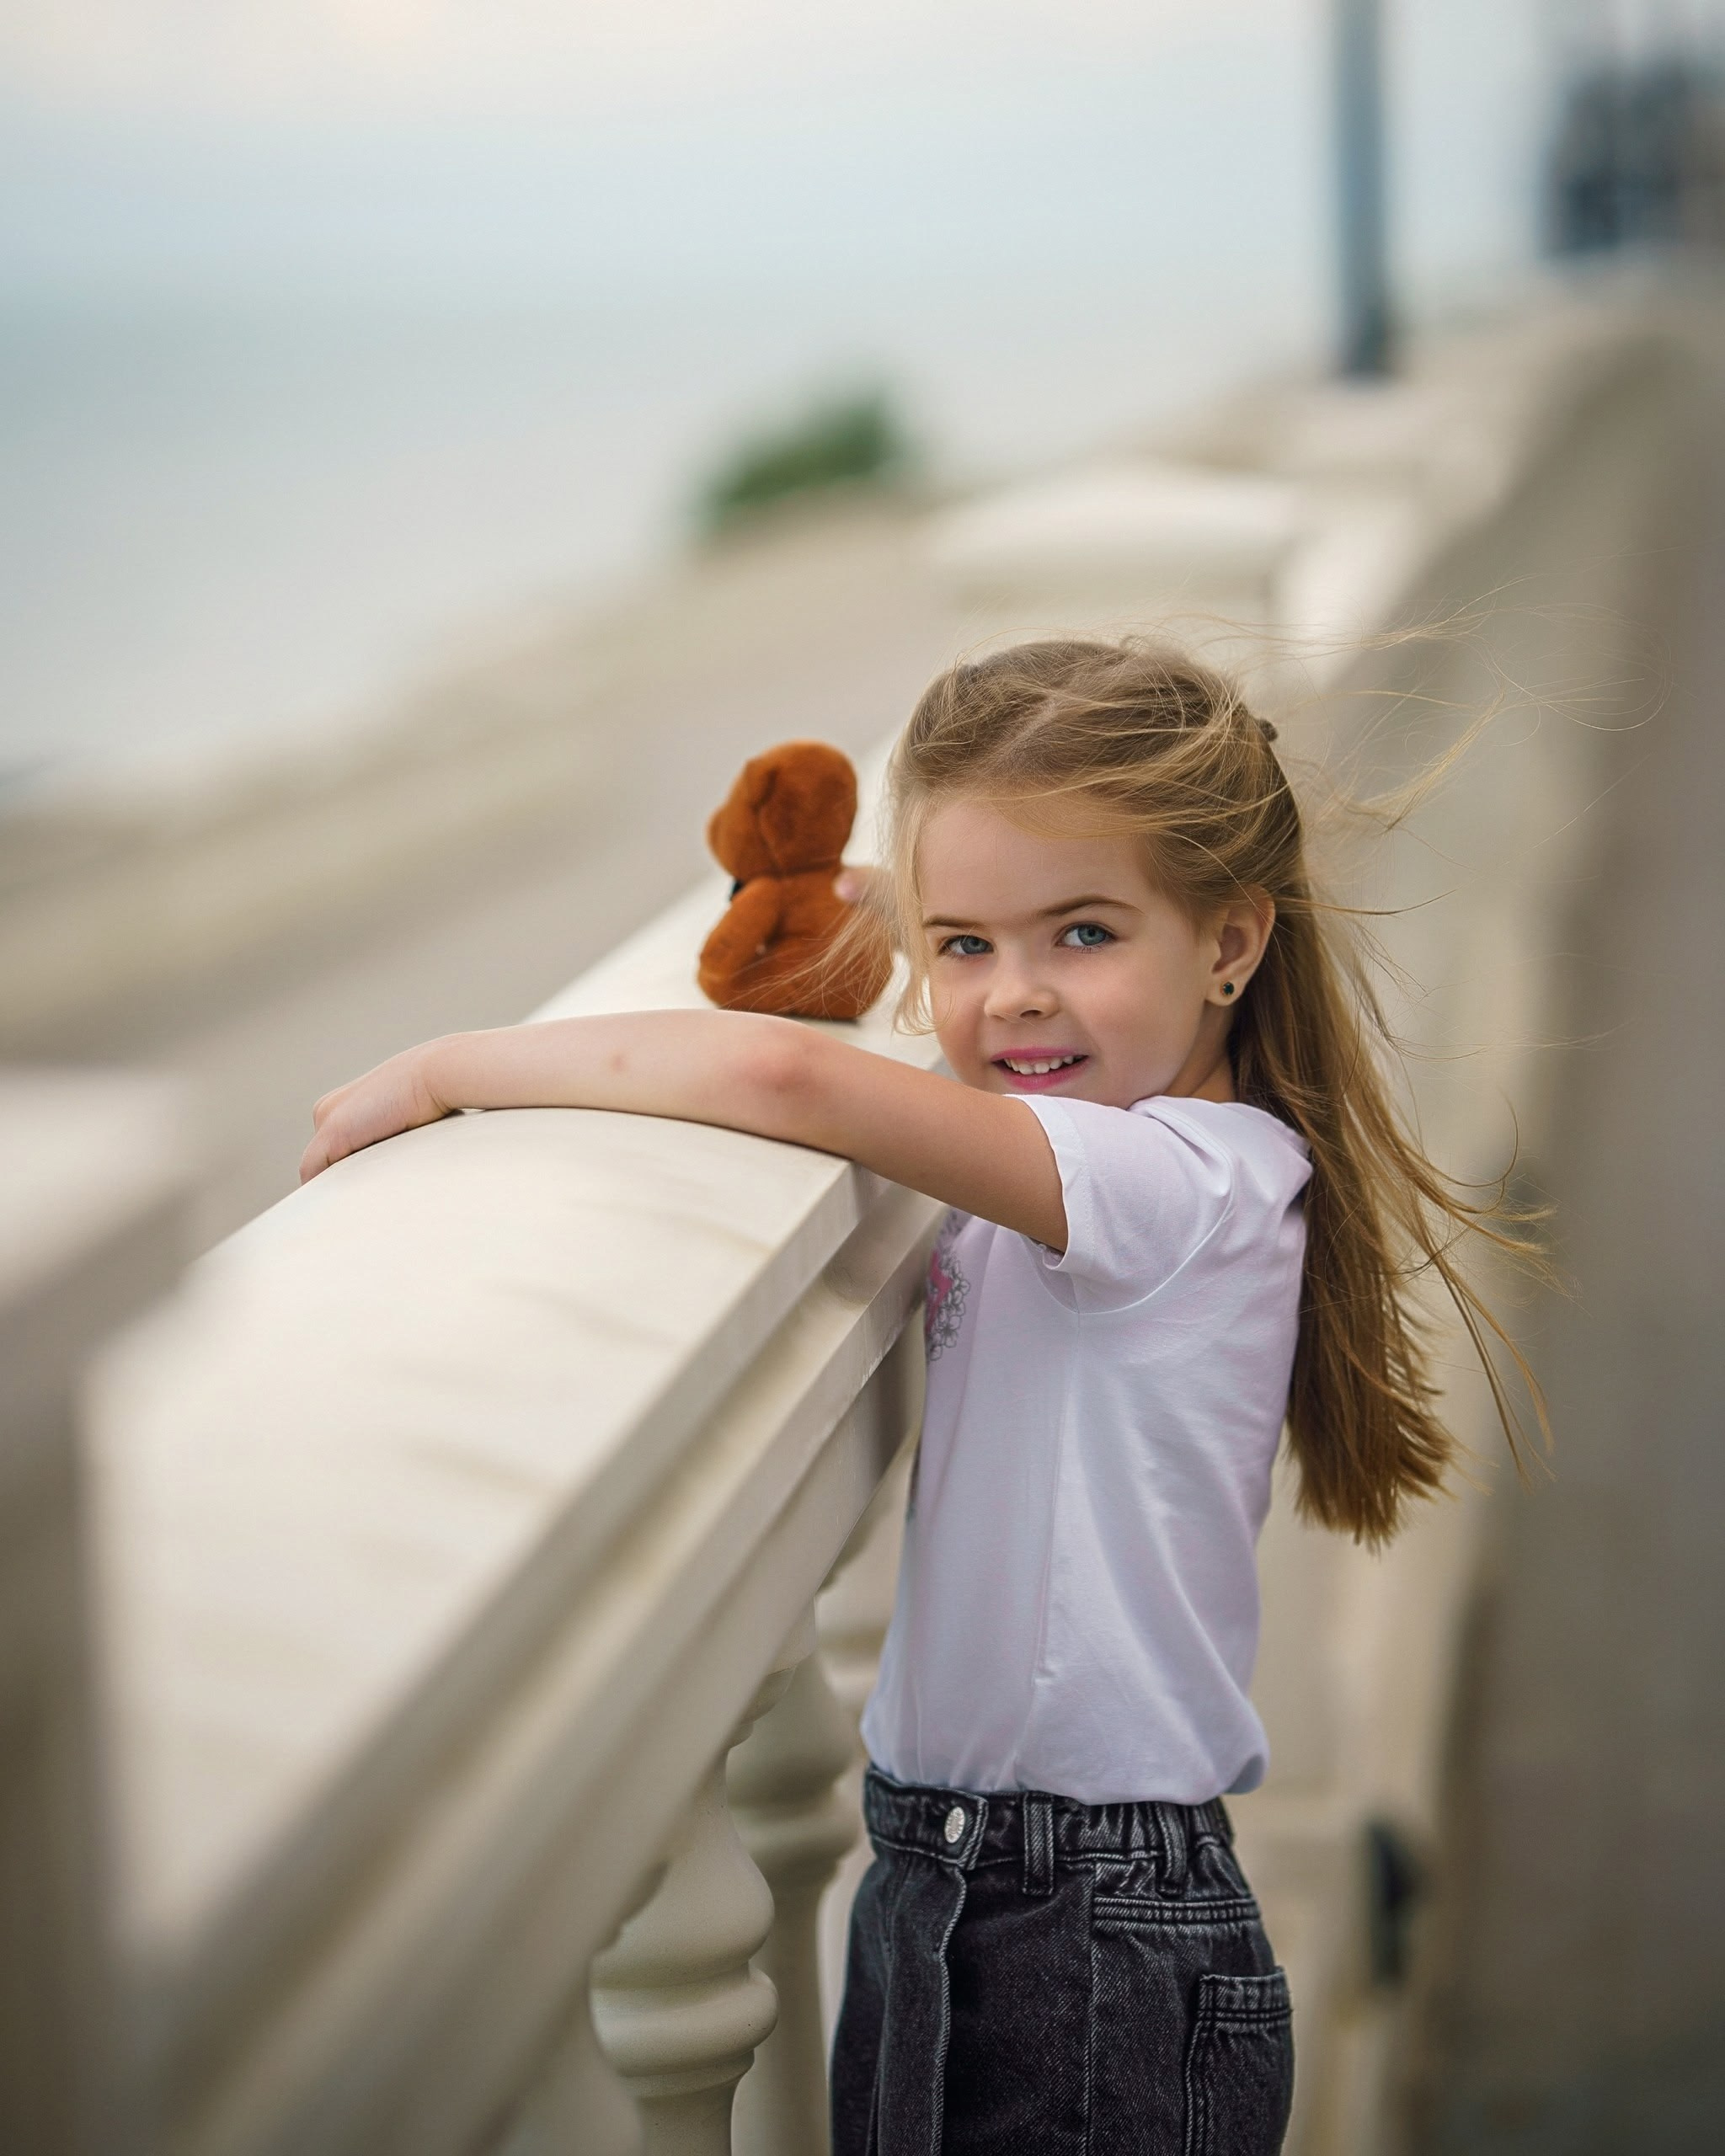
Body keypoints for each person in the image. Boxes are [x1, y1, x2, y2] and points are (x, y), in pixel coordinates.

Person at [301, 639, 1544, 2156]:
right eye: (967, 946)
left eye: (1082, 932)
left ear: (1231, 942)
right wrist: (884, 922)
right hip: (950, 1876)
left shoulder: (1177, 1180)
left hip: (1091, 1925)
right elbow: (905, 1014)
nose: (1015, 997)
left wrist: (444, 1069)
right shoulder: (1095, 1126)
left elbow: (789, 1083)